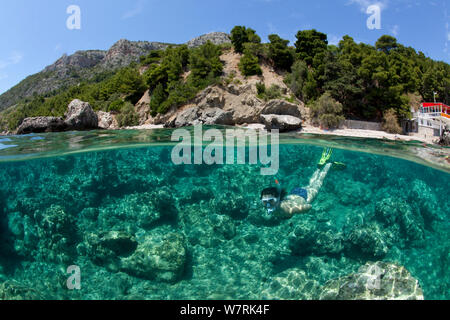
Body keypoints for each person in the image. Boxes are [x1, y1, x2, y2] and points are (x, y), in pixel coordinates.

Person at [260, 148, 344, 219]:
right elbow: (278, 189)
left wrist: (304, 209)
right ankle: (319, 167)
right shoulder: (275, 205)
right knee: (311, 184)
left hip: (304, 196)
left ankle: (329, 164)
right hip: (295, 193)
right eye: (264, 202)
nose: (267, 204)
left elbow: (309, 207)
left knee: (318, 182)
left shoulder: (290, 210)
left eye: (270, 201)